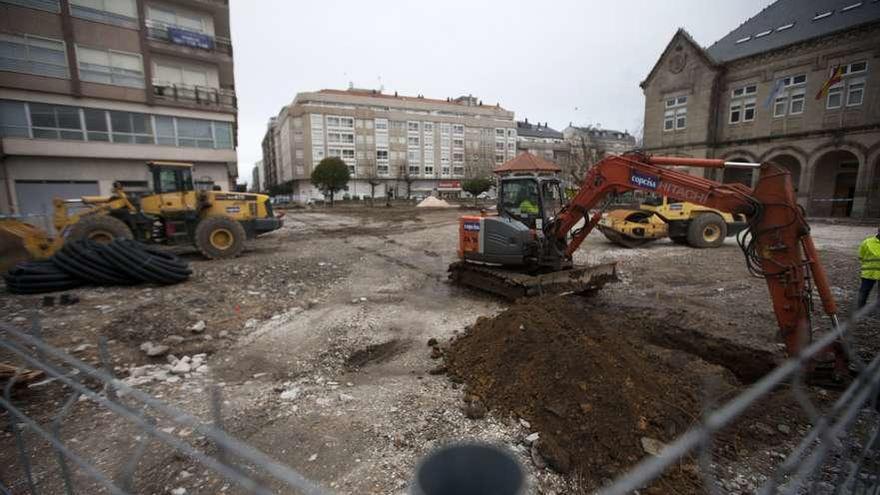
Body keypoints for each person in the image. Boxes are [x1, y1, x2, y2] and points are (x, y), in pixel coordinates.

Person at [858, 226, 880, 309]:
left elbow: (861, 256)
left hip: (868, 272)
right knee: (864, 292)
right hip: (869, 273)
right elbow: (861, 256)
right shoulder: (867, 242)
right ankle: (860, 308)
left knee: (864, 291)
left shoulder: (867, 242)